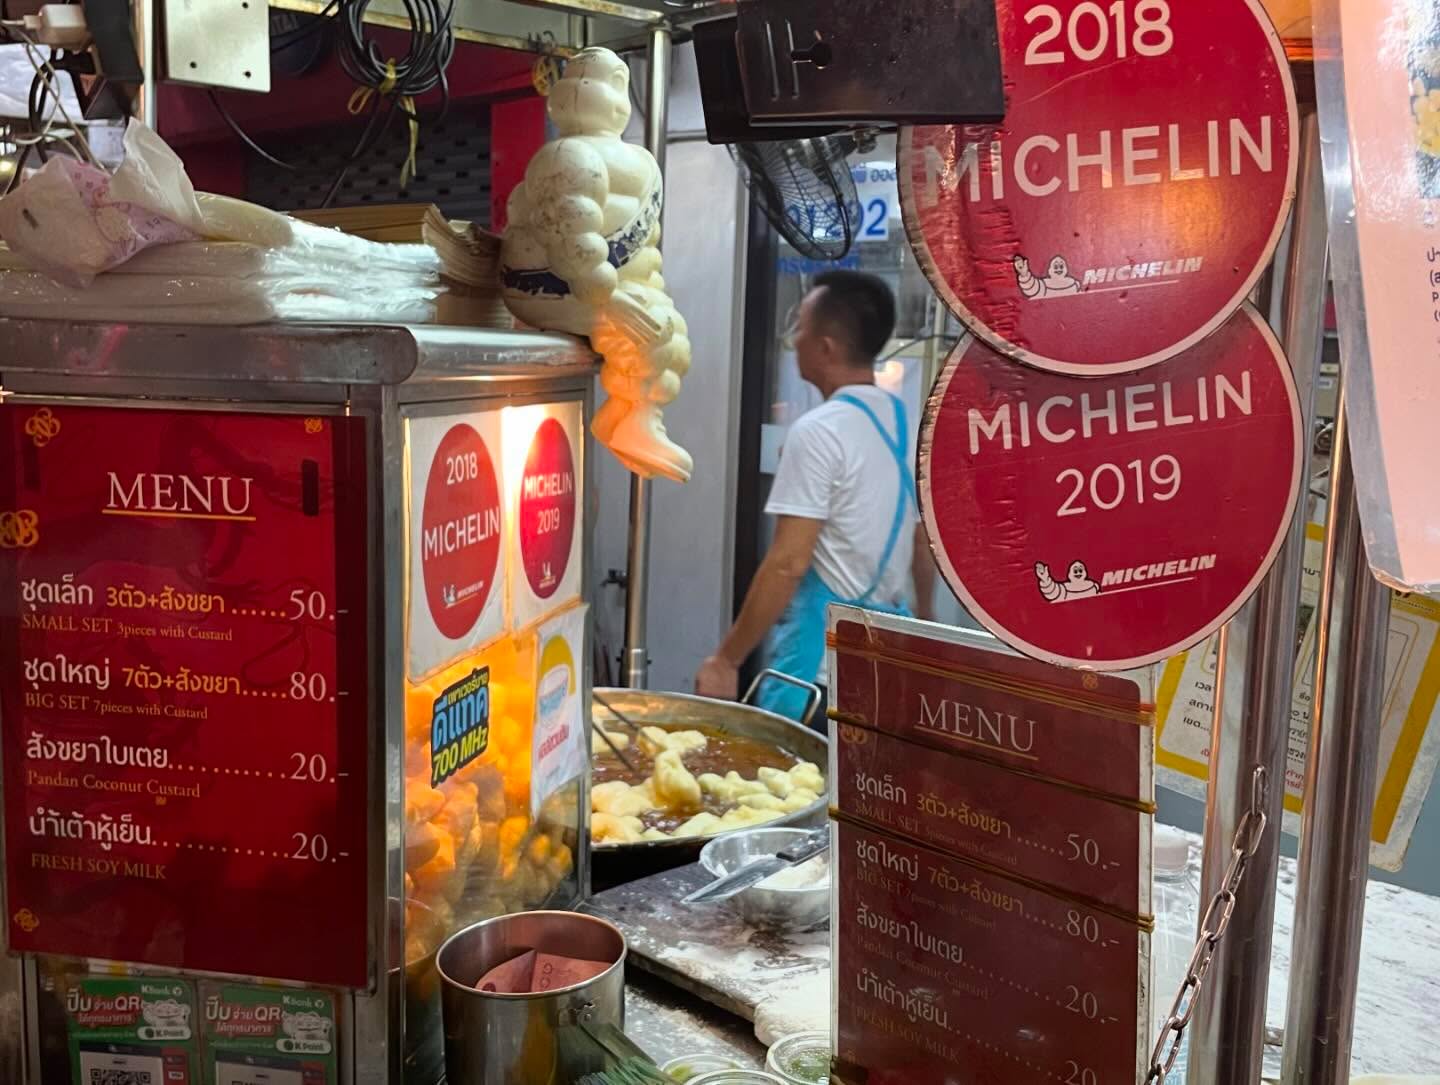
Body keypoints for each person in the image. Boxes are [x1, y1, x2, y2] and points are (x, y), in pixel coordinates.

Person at [696, 270, 936, 719]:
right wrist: (924, 622)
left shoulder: (819, 432)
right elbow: (921, 540)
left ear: (825, 348)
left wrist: (726, 660)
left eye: (801, 328)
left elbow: (789, 563)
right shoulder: (906, 427)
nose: (794, 340)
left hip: (818, 681)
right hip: (884, 666)